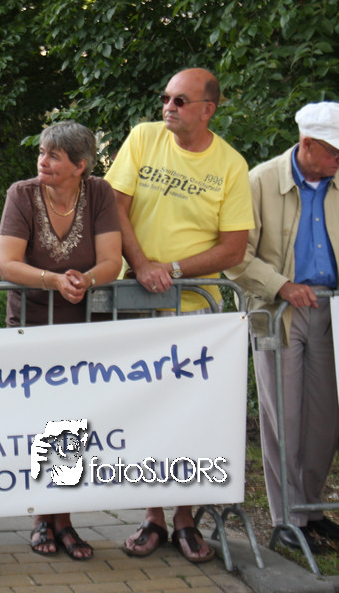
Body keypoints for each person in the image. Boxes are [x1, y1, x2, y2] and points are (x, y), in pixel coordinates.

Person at [105, 67, 254, 563]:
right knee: (145, 412)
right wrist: (142, 265)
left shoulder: (231, 164)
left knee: (189, 416)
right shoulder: (144, 138)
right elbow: (114, 207)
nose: (168, 107)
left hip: (196, 310)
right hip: (136, 301)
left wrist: (170, 270)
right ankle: (153, 516)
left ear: (209, 109)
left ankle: (186, 518)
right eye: (166, 98)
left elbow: (233, 247)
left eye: (181, 101)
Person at [0, 121, 122, 560]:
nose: (43, 161)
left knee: (71, 423)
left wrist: (86, 280)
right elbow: (8, 264)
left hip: (84, 325)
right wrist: (53, 280)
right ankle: (40, 518)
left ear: (80, 165)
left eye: (54, 155)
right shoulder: (22, 194)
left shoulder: (100, 193)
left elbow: (112, 260)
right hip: (32, 324)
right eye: (42, 152)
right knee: (40, 422)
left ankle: (64, 519)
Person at [226, 102, 339, 554]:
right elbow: (236, 255)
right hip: (277, 310)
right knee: (283, 420)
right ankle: (288, 518)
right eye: (333, 152)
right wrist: (282, 286)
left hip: (331, 310)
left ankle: (312, 509)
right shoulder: (259, 181)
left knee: (325, 419)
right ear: (307, 144)